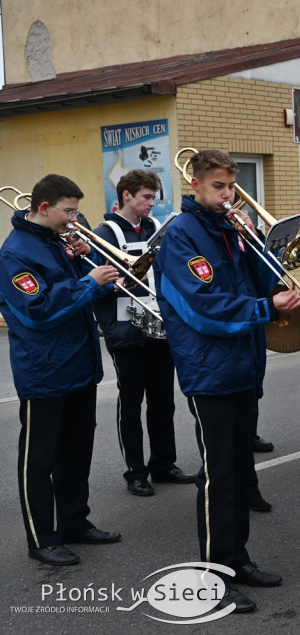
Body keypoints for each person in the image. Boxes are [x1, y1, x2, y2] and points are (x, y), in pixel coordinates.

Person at [155, 149, 300, 614]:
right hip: (209, 369)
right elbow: (202, 307)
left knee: (240, 472)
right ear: (196, 184)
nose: (227, 195)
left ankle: (236, 560)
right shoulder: (181, 236)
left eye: (232, 188)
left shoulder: (230, 231)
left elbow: (264, 282)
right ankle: (214, 575)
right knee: (218, 476)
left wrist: (260, 245)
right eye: (219, 187)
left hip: (242, 363)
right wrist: (266, 310)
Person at [0, 174, 122, 566]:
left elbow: (80, 294)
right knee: (39, 459)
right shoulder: (15, 254)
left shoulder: (59, 242)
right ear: (45, 207)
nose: (74, 219)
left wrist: (92, 269)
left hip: (79, 365)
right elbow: (36, 311)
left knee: (76, 451)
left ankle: (74, 522)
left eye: (77, 211)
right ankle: (42, 538)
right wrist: (88, 281)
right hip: (45, 371)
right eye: (68, 212)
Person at [92, 170, 194, 497]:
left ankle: (164, 463)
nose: (152, 203)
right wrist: (112, 284)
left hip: (160, 324)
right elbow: (93, 286)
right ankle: (135, 471)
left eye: (154, 197)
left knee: (163, 402)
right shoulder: (103, 233)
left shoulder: (153, 229)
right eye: (146, 197)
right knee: (132, 403)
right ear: (126, 196)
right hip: (127, 330)